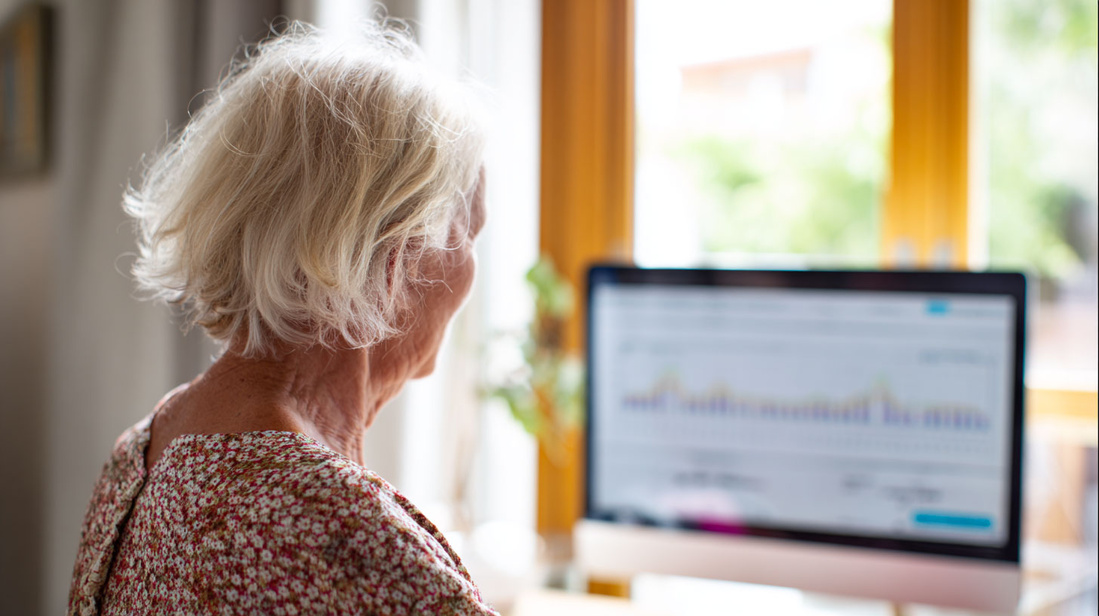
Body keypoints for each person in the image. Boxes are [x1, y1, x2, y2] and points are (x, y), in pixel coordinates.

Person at [68, 19, 497, 616]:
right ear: (397, 259)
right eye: (470, 236)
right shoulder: (352, 537)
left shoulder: (138, 456)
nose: (473, 275)